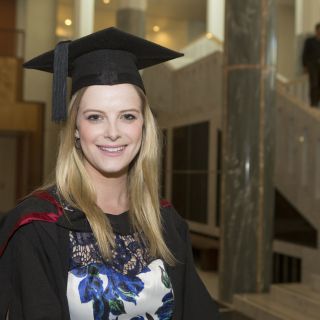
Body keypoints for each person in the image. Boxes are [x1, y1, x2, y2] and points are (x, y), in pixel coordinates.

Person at [0, 27, 220, 320]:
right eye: (95, 117)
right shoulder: (38, 227)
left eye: (128, 116)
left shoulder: (166, 222)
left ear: (144, 126)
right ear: (76, 129)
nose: (113, 133)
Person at [302, 22, 320, 107]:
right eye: (318, 30)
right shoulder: (309, 41)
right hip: (312, 65)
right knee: (314, 84)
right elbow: (305, 54)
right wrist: (305, 66)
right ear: (316, 30)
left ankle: (318, 102)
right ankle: (313, 103)